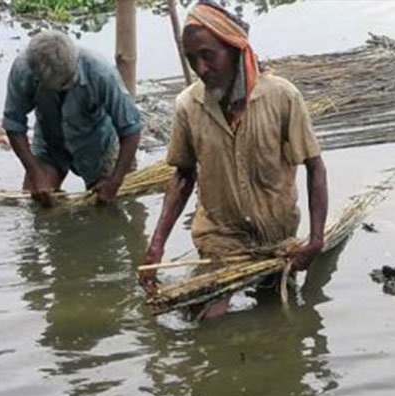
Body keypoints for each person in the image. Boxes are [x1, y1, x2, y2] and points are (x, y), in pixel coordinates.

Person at [140, 0, 328, 318]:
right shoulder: (188, 106)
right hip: (219, 235)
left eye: (208, 56)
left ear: (235, 48)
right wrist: (156, 244)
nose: (200, 69)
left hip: (276, 238)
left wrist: (316, 240)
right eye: (191, 59)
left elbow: (315, 168)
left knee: (278, 314)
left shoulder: (282, 97)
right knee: (208, 317)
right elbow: (183, 177)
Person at [2, 30, 142, 206]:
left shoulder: (100, 72)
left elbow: (131, 130)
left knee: (108, 209)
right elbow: (14, 125)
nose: (64, 88)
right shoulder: (24, 69)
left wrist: (115, 180)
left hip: (98, 145)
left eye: (68, 83)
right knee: (37, 200)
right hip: (50, 141)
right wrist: (34, 171)